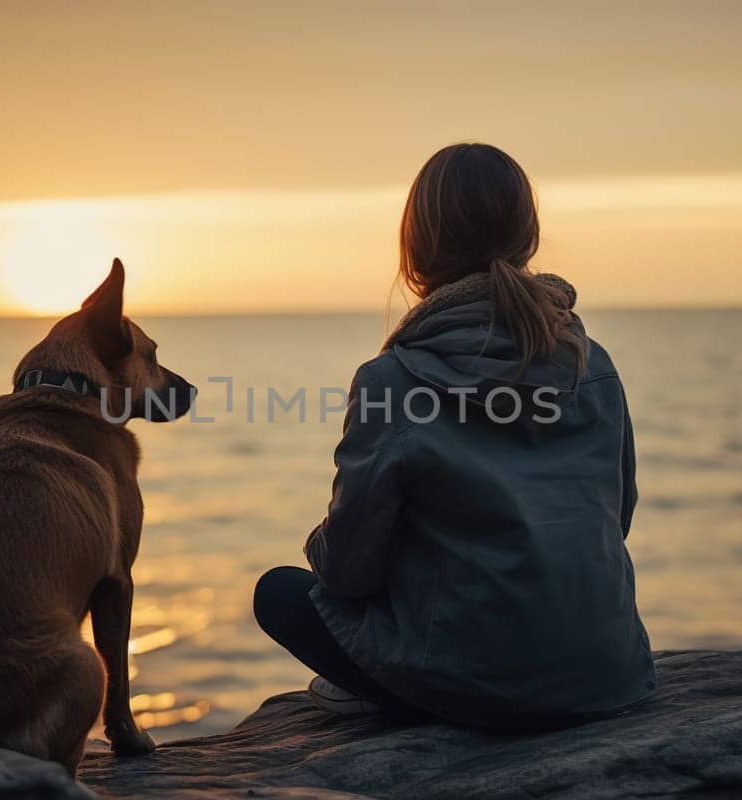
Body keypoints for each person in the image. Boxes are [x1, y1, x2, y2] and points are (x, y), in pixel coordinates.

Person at [252, 143, 655, 729]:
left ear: (417, 250)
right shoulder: (593, 365)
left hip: (477, 689)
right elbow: (614, 520)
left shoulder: (391, 381)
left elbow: (347, 572)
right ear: (528, 238)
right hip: (610, 673)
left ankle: (395, 692)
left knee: (279, 593)